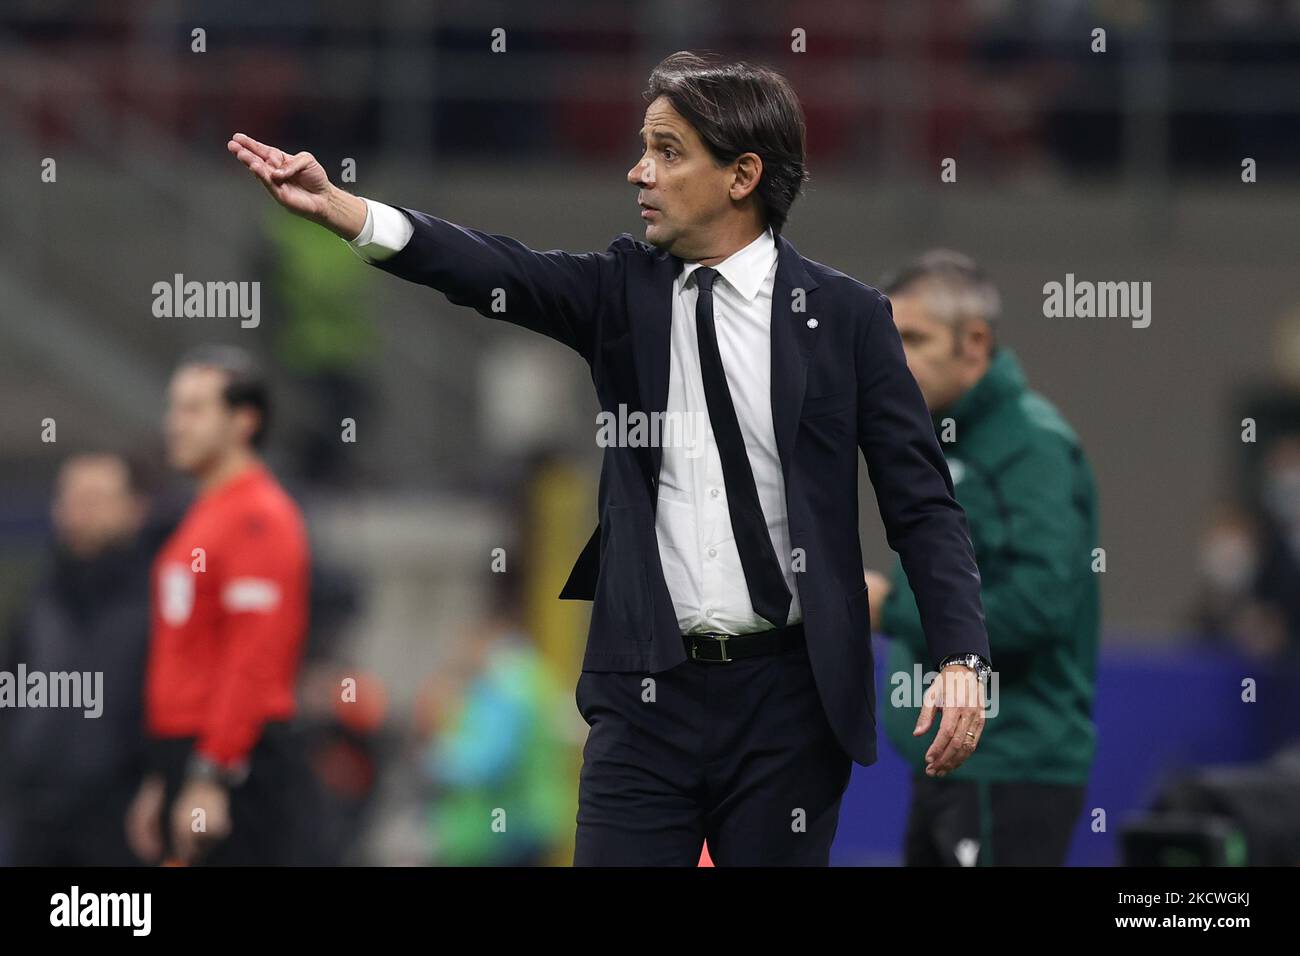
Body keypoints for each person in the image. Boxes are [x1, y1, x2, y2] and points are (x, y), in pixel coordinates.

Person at [228, 50, 991, 867]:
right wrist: (350, 213)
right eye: (643, 146)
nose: (639, 172)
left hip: (790, 705)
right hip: (646, 693)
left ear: (742, 176)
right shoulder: (622, 291)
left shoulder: (847, 319)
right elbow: (493, 267)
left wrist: (960, 654)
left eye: (667, 151)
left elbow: (922, 504)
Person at [867, 250, 1099, 866]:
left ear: (974, 342)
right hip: (954, 765)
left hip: (1012, 764)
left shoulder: (1032, 446)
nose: (897, 360)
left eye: (914, 338)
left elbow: (1037, 606)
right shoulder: (940, 436)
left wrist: (891, 611)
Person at [125, 345, 312, 865]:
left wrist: (212, 773)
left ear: (243, 421)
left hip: (236, 761)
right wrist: (164, 778)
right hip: (189, 754)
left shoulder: (259, 517)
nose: (174, 425)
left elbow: (255, 655)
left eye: (194, 410)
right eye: (173, 408)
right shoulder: (205, 513)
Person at [0, 453, 154, 865]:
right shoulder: (39, 602)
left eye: (96, 498)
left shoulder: (156, 605)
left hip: (117, 823)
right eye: (69, 497)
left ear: (134, 509)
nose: (79, 510)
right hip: (34, 815)